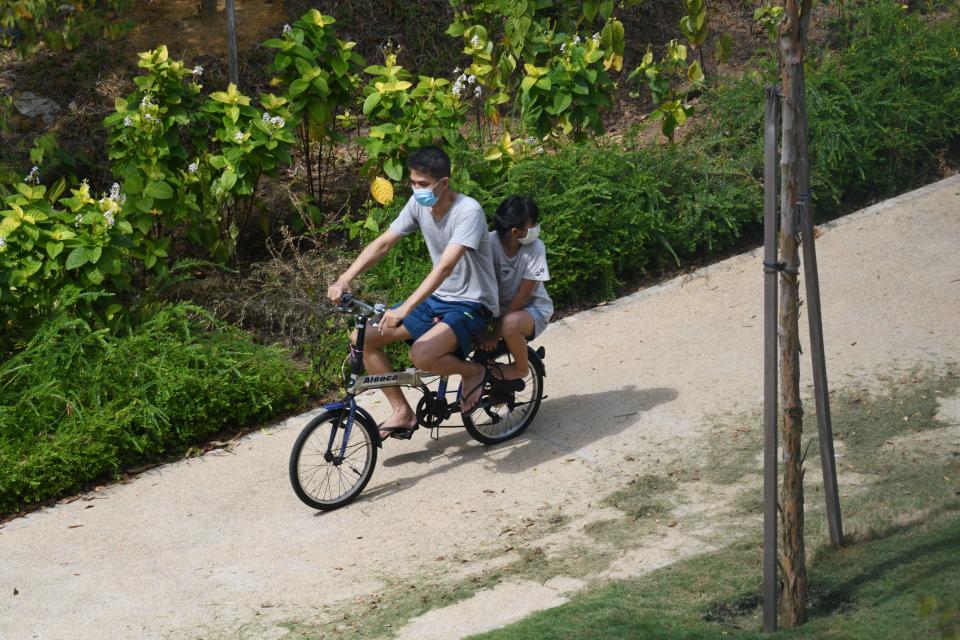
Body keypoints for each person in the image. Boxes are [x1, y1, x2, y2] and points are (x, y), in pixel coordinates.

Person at [326, 146, 499, 438]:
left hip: (472, 303)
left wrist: (404, 309)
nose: (416, 189)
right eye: (412, 182)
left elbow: (444, 268)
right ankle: (402, 413)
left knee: (421, 355)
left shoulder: (469, 211)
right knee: (362, 339)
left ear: (443, 183)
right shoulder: (418, 205)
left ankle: (473, 372)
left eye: (422, 184)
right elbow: (384, 243)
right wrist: (345, 278)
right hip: (438, 300)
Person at [480, 195, 554, 380]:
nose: (536, 227)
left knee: (510, 324)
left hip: (532, 310)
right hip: (499, 310)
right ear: (515, 232)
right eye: (533, 224)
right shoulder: (488, 244)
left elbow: (522, 296)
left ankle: (521, 368)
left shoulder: (535, 248)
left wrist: (495, 333)